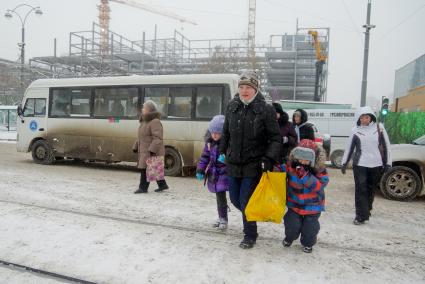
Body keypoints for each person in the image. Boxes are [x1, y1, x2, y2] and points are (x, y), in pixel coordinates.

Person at [219, 71, 282, 249]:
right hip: (233, 162)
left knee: (245, 200)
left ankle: (250, 235)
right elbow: (226, 132)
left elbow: (275, 138)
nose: (244, 90)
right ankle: (253, 215)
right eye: (241, 87)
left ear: (255, 90)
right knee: (234, 199)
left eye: (248, 87)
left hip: (254, 163)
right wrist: (222, 150)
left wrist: (268, 158)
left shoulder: (265, 109)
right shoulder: (232, 106)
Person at [340, 106, 391, 225]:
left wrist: (388, 163)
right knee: (360, 189)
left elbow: (387, 146)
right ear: (359, 118)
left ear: (371, 117)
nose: (364, 119)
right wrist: (344, 163)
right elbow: (349, 148)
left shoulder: (379, 128)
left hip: (376, 164)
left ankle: (366, 210)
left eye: (367, 117)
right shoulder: (355, 130)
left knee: (371, 189)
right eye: (362, 117)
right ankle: (360, 215)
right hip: (360, 164)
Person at [283, 139, 329, 253]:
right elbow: (281, 169)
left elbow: (320, 186)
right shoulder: (291, 166)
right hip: (294, 204)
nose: (303, 161)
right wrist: (273, 167)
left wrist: (305, 175)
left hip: (313, 206)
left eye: (307, 158)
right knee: (292, 225)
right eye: (300, 157)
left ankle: (308, 243)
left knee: (310, 228)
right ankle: (289, 238)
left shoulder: (319, 170)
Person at [196, 115, 229, 230]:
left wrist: (226, 160)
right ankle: (222, 218)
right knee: (220, 197)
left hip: (226, 174)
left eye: (218, 133)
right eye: (213, 132)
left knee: (226, 197)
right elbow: (204, 157)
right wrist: (200, 169)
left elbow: (233, 157)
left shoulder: (227, 144)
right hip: (215, 174)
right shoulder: (209, 144)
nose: (214, 135)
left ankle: (224, 218)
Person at [133, 100, 169, 193]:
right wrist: (136, 146)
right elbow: (141, 137)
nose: (142, 109)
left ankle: (143, 188)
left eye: (144, 108)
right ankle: (163, 185)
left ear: (149, 110)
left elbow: (157, 138)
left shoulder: (155, 122)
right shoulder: (144, 121)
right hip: (145, 150)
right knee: (154, 169)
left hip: (152, 150)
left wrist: (152, 150)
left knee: (145, 169)